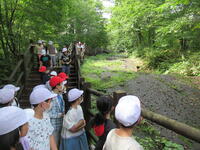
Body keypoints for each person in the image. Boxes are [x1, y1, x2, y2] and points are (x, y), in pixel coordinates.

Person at [48, 76, 66, 146]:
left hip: (61, 123)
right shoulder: (50, 97)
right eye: (61, 84)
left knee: (59, 144)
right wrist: (59, 115)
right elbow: (47, 113)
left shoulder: (60, 95)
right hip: (53, 126)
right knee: (54, 144)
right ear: (57, 86)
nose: (63, 85)